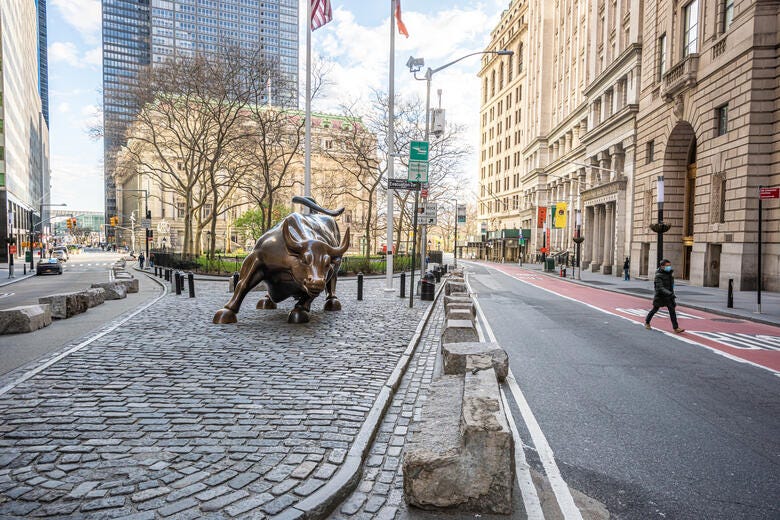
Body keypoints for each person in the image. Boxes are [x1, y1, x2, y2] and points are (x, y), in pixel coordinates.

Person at [645, 259, 684, 333]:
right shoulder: (658, 275)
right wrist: (670, 293)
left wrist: (671, 294)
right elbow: (660, 288)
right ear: (662, 266)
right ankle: (647, 322)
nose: (669, 267)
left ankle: (676, 328)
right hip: (660, 296)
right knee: (654, 310)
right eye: (667, 266)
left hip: (669, 296)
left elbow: (671, 286)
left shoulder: (670, 274)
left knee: (672, 311)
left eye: (669, 265)